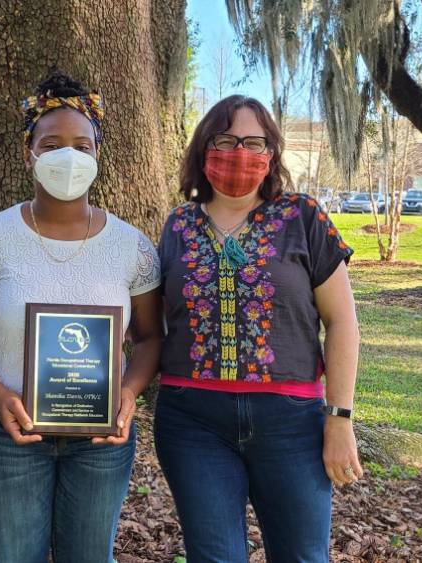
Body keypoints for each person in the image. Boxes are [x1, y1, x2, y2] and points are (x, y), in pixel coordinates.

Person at [0, 70, 163, 563]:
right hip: (7, 434)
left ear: (98, 155)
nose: (68, 156)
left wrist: (126, 395)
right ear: (29, 154)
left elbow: (150, 338)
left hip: (102, 439)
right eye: (52, 144)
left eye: (82, 146)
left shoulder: (133, 248)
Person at [154, 95, 362, 562]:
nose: (239, 151)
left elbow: (342, 321)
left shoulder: (303, 216)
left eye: (253, 141)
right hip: (193, 422)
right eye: (225, 140)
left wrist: (339, 418)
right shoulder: (178, 225)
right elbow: (151, 320)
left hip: (291, 424)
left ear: (271, 152)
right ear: (203, 149)